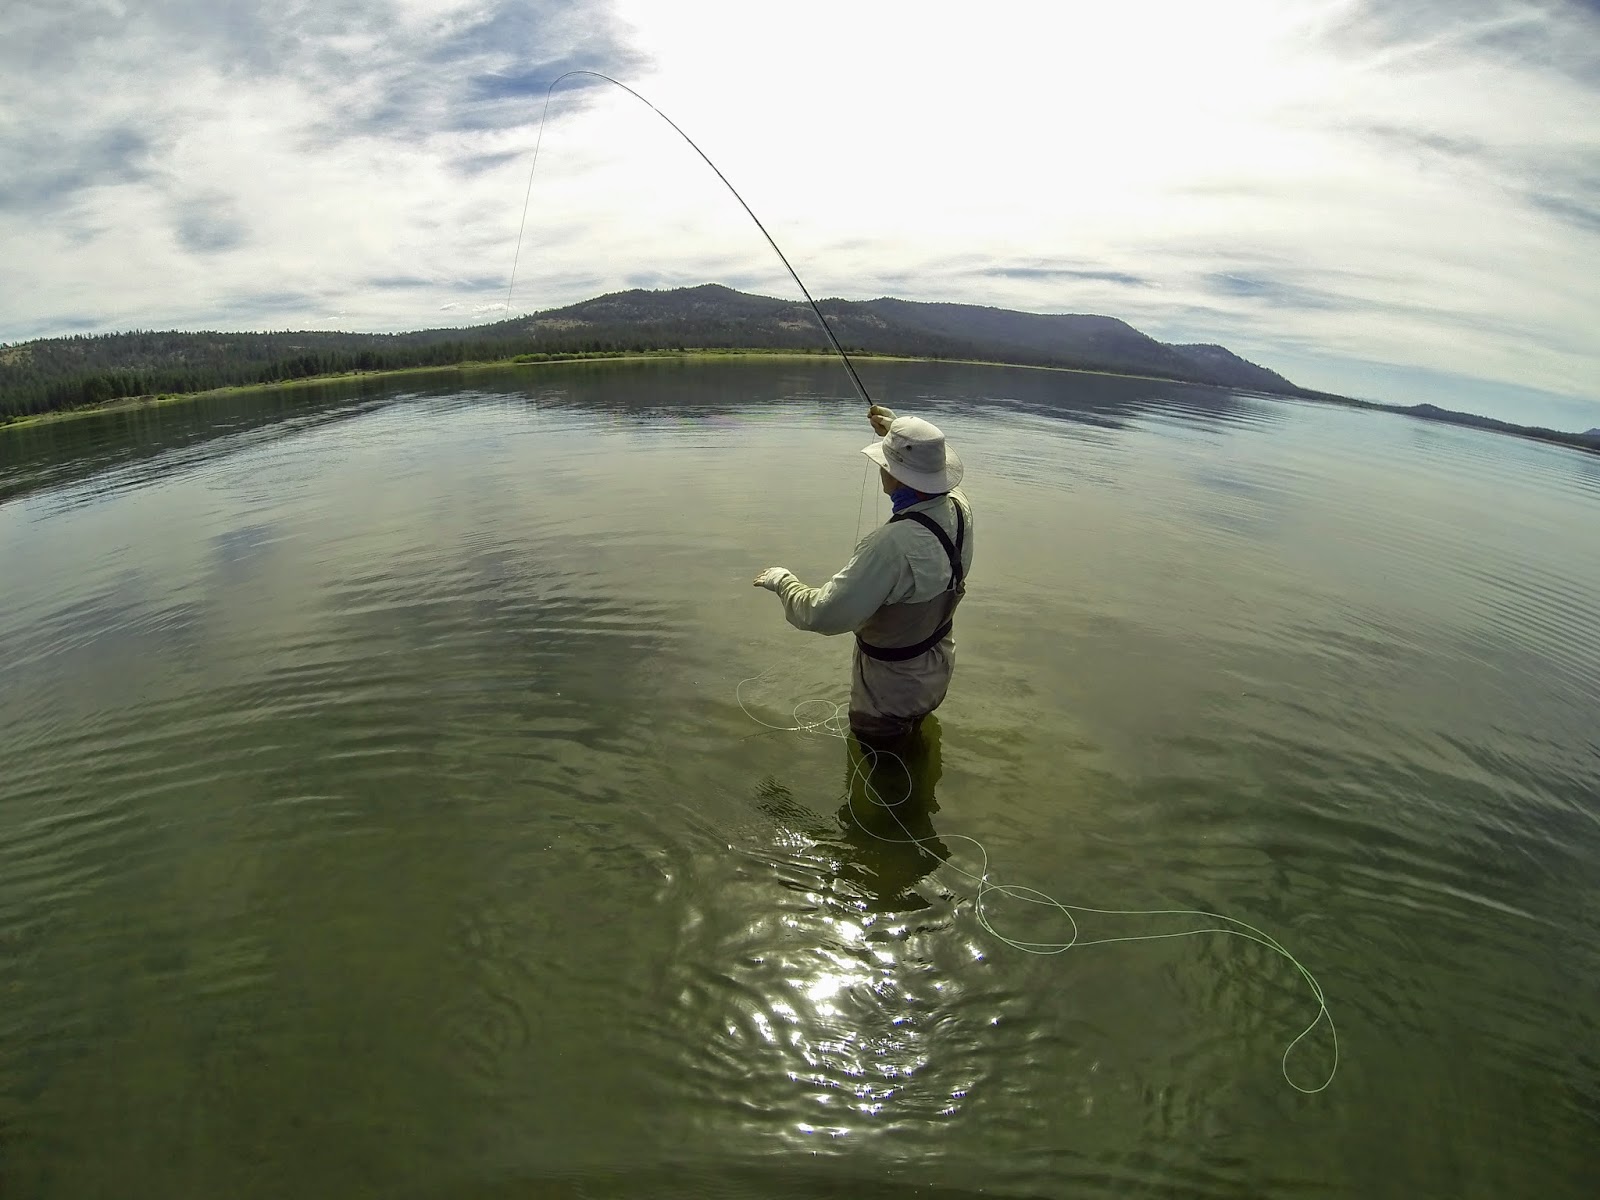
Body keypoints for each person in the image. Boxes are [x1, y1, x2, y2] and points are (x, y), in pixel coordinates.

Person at [753, 404, 974, 747]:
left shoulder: (890, 546)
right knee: (914, 749)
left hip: (888, 693)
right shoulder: (961, 508)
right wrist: (895, 430)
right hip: (935, 669)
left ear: (893, 476)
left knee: (878, 763)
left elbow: (823, 614)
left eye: (885, 464)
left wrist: (782, 581)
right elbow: (929, 470)